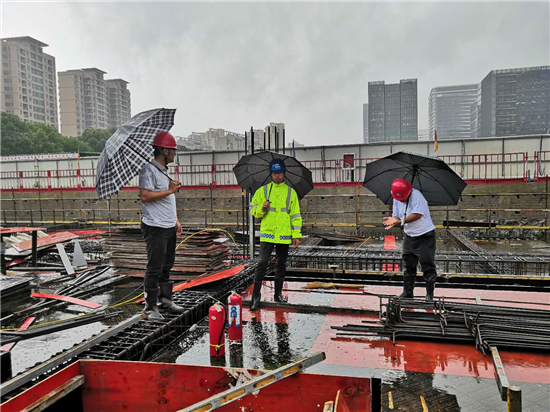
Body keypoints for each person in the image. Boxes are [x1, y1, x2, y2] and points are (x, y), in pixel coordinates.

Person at [139, 131, 184, 320]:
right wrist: (170, 190)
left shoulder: (162, 171)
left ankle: (165, 299)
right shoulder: (148, 170)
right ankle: (150, 307)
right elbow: (145, 196)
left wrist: (175, 219)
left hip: (167, 225)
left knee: (167, 265)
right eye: (173, 151)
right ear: (164, 150)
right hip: (155, 227)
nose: (174, 154)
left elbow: (167, 199)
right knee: (154, 267)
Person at [249, 159, 302, 311]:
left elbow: (295, 215)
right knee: (262, 263)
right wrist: (262, 207)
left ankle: (278, 294)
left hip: (284, 234)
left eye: (279, 173)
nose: (277, 176)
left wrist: (296, 235)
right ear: (271, 174)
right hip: (268, 234)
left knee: (280, 264)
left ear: (284, 173)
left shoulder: (291, 193)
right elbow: (253, 210)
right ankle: (256, 296)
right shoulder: (263, 191)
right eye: (274, 173)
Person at [383, 178, 437, 300]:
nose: (401, 200)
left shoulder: (417, 195)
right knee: (409, 265)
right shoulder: (397, 197)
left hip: (425, 235)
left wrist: (399, 221)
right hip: (410, 236)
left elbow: (417, 215)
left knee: (427, 266)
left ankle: (429, 295)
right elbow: (396, 214)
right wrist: (394, 219)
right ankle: (407, 292)